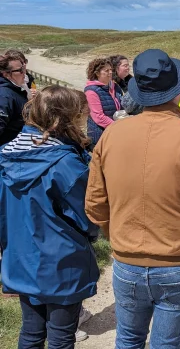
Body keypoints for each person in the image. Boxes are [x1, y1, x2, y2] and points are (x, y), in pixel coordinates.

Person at [85, 49, 180, 349]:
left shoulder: (112, 135)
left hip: (128, 258)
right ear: (178, 92)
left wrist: (116, 235)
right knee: (166, 343)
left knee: (127, 338)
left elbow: (95, 203)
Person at [0, 86, 100, 349]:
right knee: (61, 336)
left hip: (20, 256)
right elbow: (89, 215)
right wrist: (92, 234)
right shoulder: (65, 164)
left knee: (31, 332)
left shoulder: (5, 155)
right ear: (67, 117)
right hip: (62, 261)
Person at [84, 58, 123, 147]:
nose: (110, 73)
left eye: (111, 70)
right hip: (100, 133)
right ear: (97, 73)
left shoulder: (114, 86)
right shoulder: (91, 91)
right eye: (106, 70)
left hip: (114, 131)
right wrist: (117, 126)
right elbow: (98, 117)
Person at [0, 52, 29, 146]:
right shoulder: (4, 96)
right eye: (20, 70)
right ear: (6, 74)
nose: (24, 73)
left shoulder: (15, 91)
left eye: (24, 68)